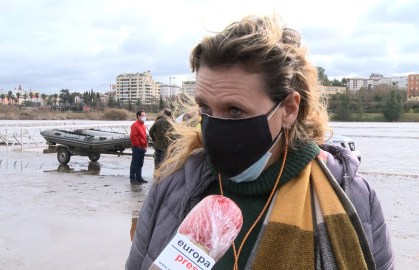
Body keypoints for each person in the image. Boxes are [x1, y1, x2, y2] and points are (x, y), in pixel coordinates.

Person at [126, 15, 394, 269]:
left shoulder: (352, 195)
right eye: (205, 109)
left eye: (234, 110)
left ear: (288, 109)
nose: (214, 126)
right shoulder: (174, 184)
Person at [129, 110, 148, 184]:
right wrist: (138, 145)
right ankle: (132, 178)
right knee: (135, 163)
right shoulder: (135, 125)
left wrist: (145, 146)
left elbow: (144, 137)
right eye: (143, 115)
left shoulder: (143, 125)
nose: (144, 117)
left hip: (142, 147)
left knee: (140, 163)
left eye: (144, 115)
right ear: (138, 116)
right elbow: (133, 136)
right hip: (137, 147)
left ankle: (139, 177)